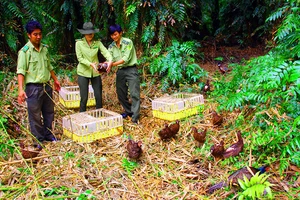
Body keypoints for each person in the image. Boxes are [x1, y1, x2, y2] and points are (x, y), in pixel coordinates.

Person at [17, 20, 61, 145]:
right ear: (29, 35)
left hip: (46, 86)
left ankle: (49, 135)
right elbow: (21, 71)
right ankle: (38, 140)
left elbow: (49, 66)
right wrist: (20, 89)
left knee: (49, 112)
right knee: (35, 115)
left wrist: (55, 80)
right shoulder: (25, 52)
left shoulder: (44, 49)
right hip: (33, 88)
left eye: (40, 34)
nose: (38, 37)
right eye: (35, 34)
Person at [75, 22, 113, 112]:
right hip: (83, 72)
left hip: (96, 73)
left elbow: (106, 53)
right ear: (84, 33)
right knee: (84, 97)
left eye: (91, 33)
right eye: (88, 33)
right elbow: (80, 58)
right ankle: (82, 116)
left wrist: (110, 61)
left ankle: (99, 115)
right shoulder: (79, 43)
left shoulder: (97, 43)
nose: (90, 35)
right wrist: (90, 64)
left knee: (98, 96)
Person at [107, 24, 140, 124]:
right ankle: (128, 111)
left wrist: (111, 65)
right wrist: (104, 65)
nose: (114, 37)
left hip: (131, 69)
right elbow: (109, 58)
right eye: (112, 35)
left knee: (134, 93)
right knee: (120, 93)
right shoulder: (111, 46)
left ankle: (135, 117)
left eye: (115, 34)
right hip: (120, 71)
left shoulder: (128, 42)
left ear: (120, 33)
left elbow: (125, 59)